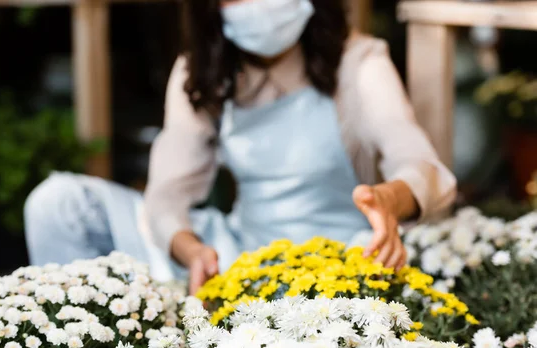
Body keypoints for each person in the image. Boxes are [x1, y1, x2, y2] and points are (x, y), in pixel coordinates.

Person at [24, 0, 456, 294]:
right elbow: (166, 198)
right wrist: (190, 249)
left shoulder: (359, 62)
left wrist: (389, 200)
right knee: (57, 202)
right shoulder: (202, 72)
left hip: (350, 264)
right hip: (237, 260)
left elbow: (422, 165)